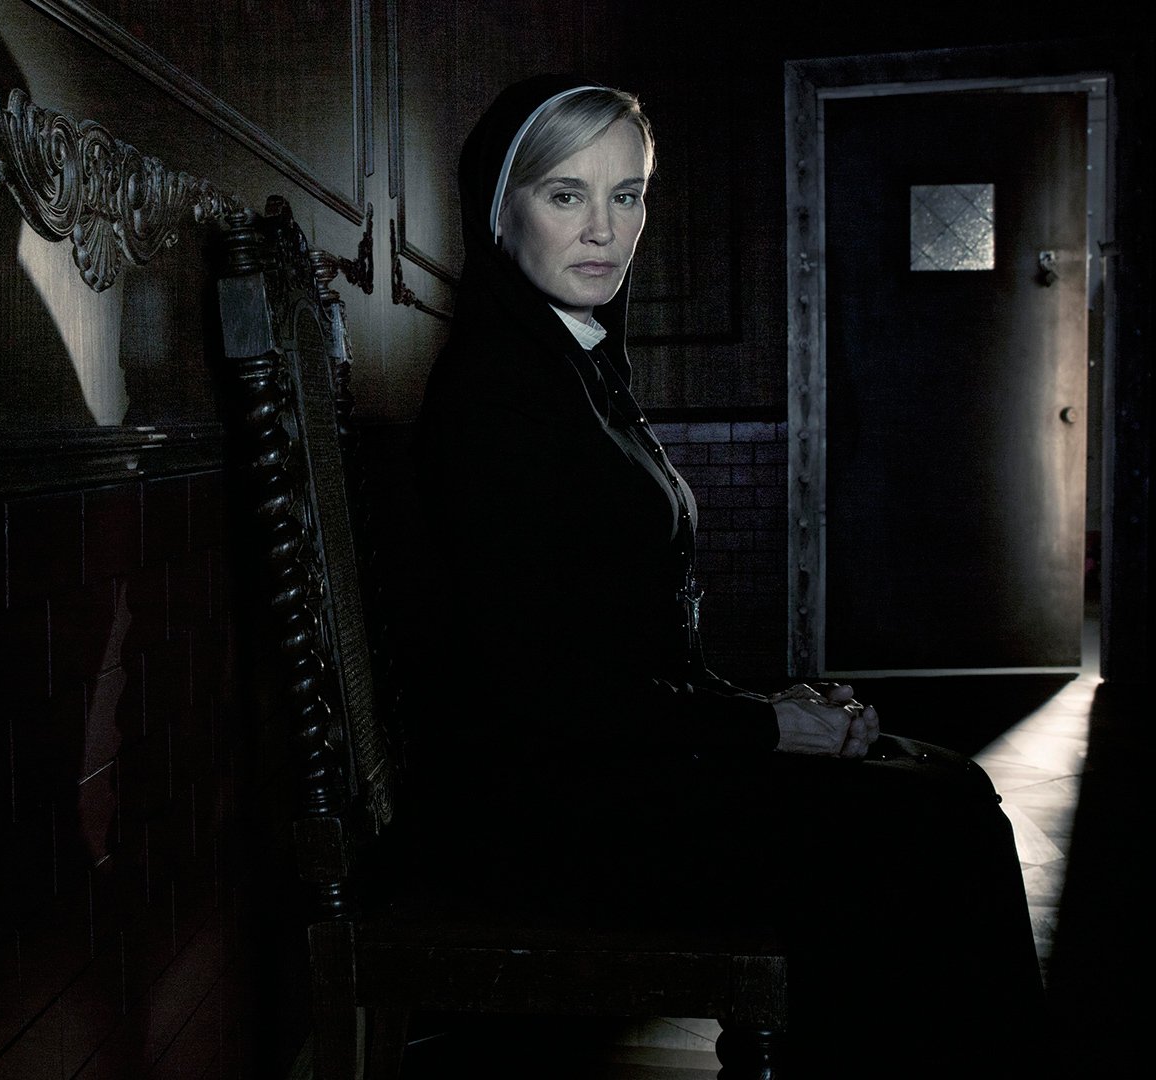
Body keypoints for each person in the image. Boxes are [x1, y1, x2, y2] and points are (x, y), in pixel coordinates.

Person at [408, 74, 1047, 1078]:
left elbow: (618, 647)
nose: (605, 229)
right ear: (500, 209)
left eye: (627, 195)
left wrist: (771, 710)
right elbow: (546, 692)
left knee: (938, 790)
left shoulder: (571, 367)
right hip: (555, 816)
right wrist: (762, 728)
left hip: (616, 766)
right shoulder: (498, 394)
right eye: (567, 194)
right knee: (932, 822)